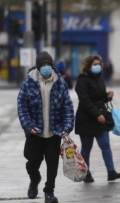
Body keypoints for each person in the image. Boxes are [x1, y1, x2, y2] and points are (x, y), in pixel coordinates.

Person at [17, 51, 74, 203]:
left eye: (49, 65)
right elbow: (22, 106)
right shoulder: (29, 82)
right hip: (35, 133)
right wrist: (28, 126)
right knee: (32, 162)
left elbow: (67, 107)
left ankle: (49, 191)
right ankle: (34, 180)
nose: (46, 68)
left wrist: (66, 127)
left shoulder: (60, 83)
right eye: (43, 65)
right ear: (38, 67)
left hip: (53, 133)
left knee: (52, 163)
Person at [74, 55, 120, 183]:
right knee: (86, 147)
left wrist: (108, 96)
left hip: (101, 117)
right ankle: (86, 173)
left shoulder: (100, 78)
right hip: (87, 118)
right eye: (95, 64)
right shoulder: (82, 80)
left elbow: (99, 97)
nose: (98, 66)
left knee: (105, 144)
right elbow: (85, 101)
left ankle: (111, 172)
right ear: (89, 65)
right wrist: (97, 114)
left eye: (99, 64)